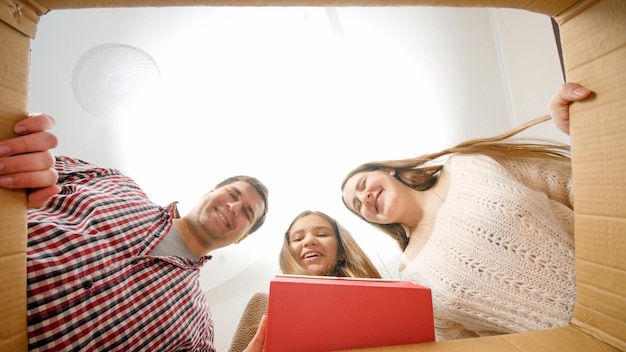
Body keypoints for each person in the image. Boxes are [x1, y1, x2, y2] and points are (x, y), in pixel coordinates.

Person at [340, 82, 593, 341]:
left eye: (362, 185)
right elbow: (464, 342)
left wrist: (586, 129)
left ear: (386, 170)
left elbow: (571, 183)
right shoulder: (412, 273)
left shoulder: (467, 166)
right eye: (358, 206)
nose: (364, 198)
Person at [1, 114, 270, 351]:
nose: (234, 207)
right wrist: (16, 144)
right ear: (210, 193)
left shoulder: (198, 330)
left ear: (241, 238)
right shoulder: (114, 181)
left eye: (247, 213)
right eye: (232, 194)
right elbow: (21, 165)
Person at [228, 210, 381, 352]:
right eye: (298, 238)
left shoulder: (376, 303)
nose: (309, 241)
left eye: (321, 234)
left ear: (341, 250)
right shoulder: (260, 304)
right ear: (289, 254)